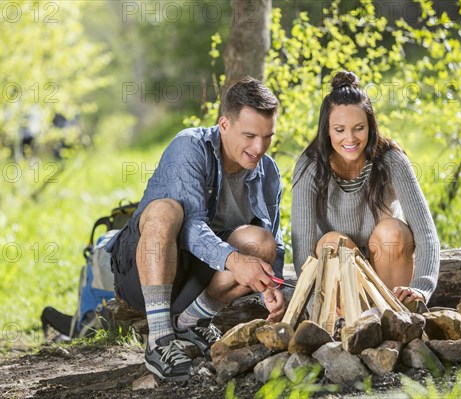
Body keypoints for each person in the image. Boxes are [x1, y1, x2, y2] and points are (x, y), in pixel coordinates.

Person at [106, 77, 286, 381]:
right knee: (166, 210)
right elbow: (189, 227)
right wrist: (234, 260)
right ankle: (160, 341)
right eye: (250, 135)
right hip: (144, 272)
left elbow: (275, 245)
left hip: (198, 282)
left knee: (262, 243)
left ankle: (191, 323)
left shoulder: (267, 172)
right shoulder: (189, 146)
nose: (259, 147)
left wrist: (272, 286)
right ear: (224, 125)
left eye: (268, 136)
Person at [291, 71, 440, 305]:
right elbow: (303, 251)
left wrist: (422, 287)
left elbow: (426, 233)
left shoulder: (391, 159)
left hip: (389, 268)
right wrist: (311, 308)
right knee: (330, 242)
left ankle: (395, 319)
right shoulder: (309, 167)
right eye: (339, 130)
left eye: (358, 128)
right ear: (326, 130)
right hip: (344, 277)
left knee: (392, 231)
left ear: (370, 126)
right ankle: (352, 323)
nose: (350, 138)